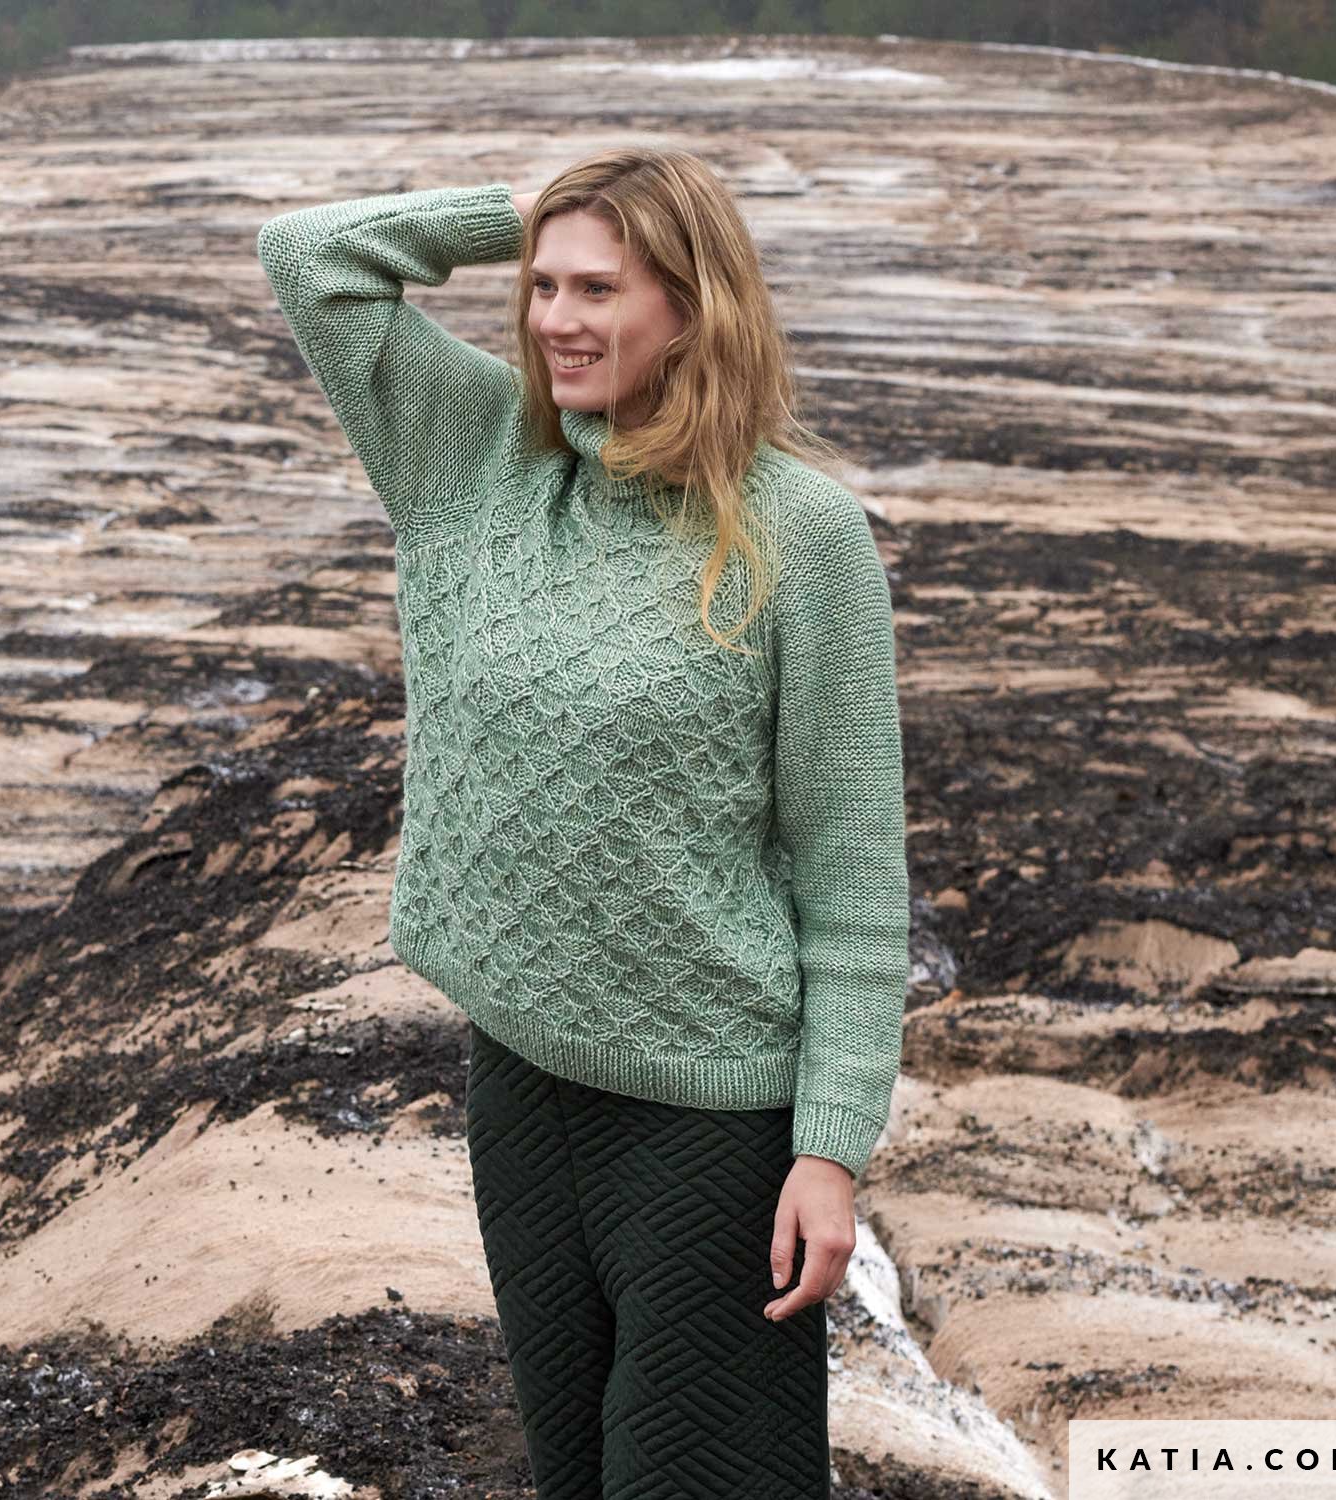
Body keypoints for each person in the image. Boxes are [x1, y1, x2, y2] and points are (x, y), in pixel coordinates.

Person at [256, 145, 910, 1500]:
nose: (555, 316)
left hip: (710, 1119)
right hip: (522, 1087)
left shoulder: (803, 535)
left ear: (694, 305)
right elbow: (309, 258)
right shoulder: (476, 454)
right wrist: (523, 209)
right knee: (576, 1474)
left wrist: (830, 1152)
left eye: (599, 287)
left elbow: (851, 872)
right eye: (543, 285)